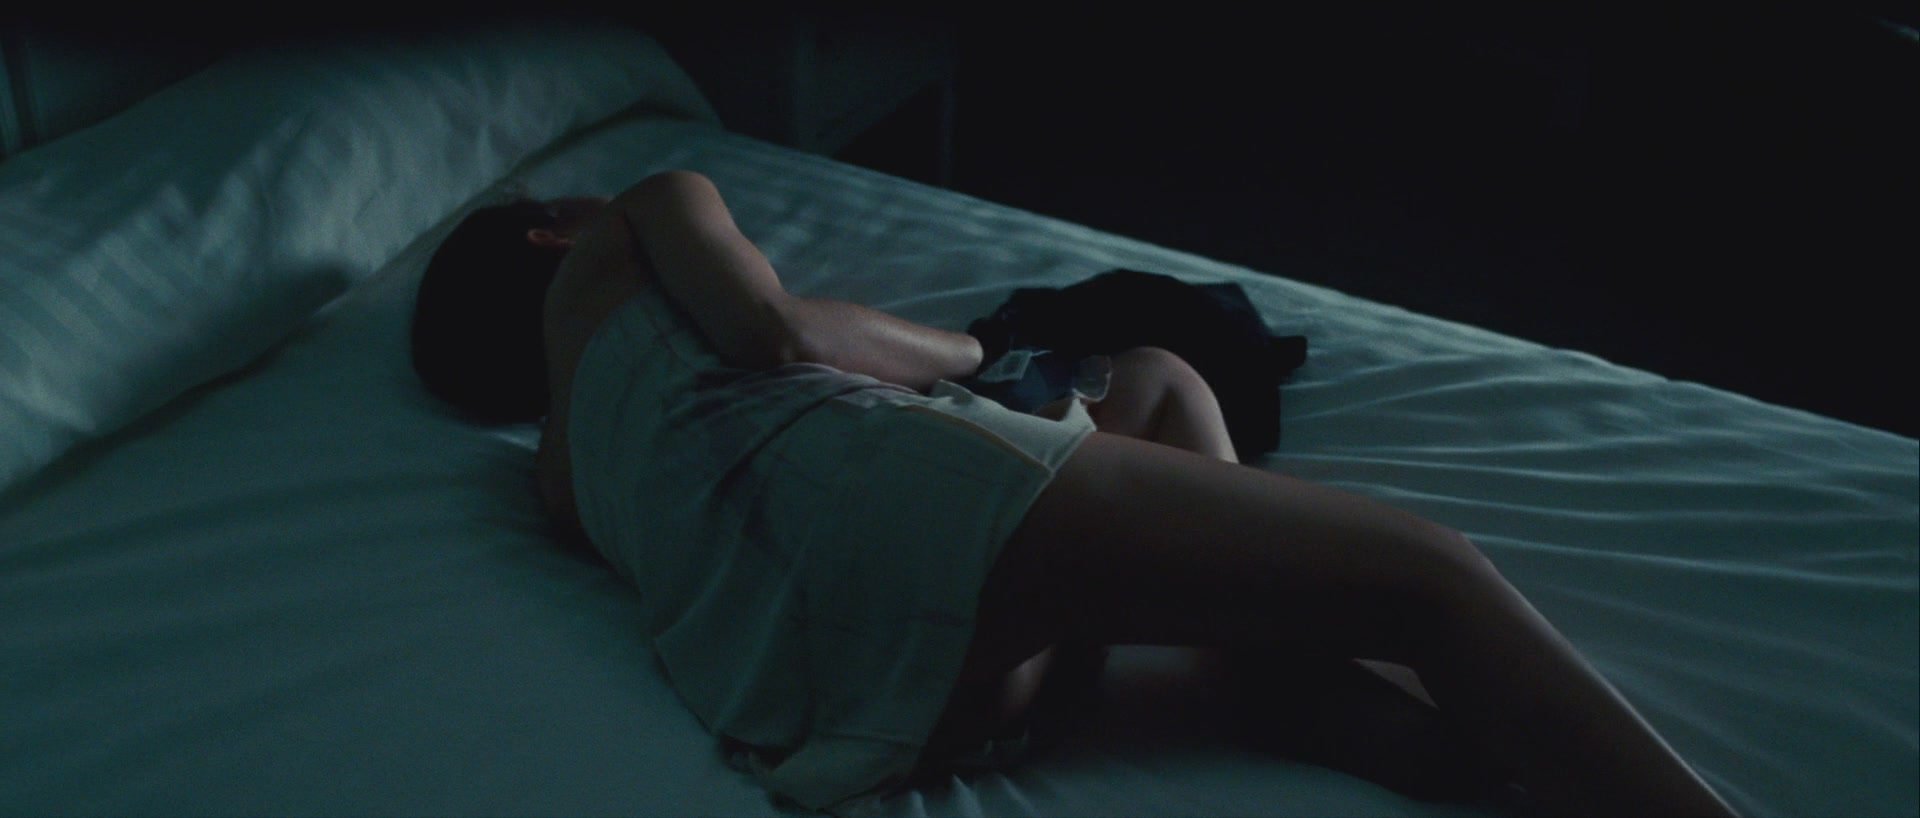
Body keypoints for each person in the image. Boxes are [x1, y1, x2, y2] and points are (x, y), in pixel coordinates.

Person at [411, 170, 1741, 817]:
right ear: (550, 228)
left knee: (1155, 385)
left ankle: (1392, 719)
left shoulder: (556, 476)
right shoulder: (638, 214)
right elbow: (779, 336)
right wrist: (971, 351)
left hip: (841, 698)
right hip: (903, 526)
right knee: (1430, 579)